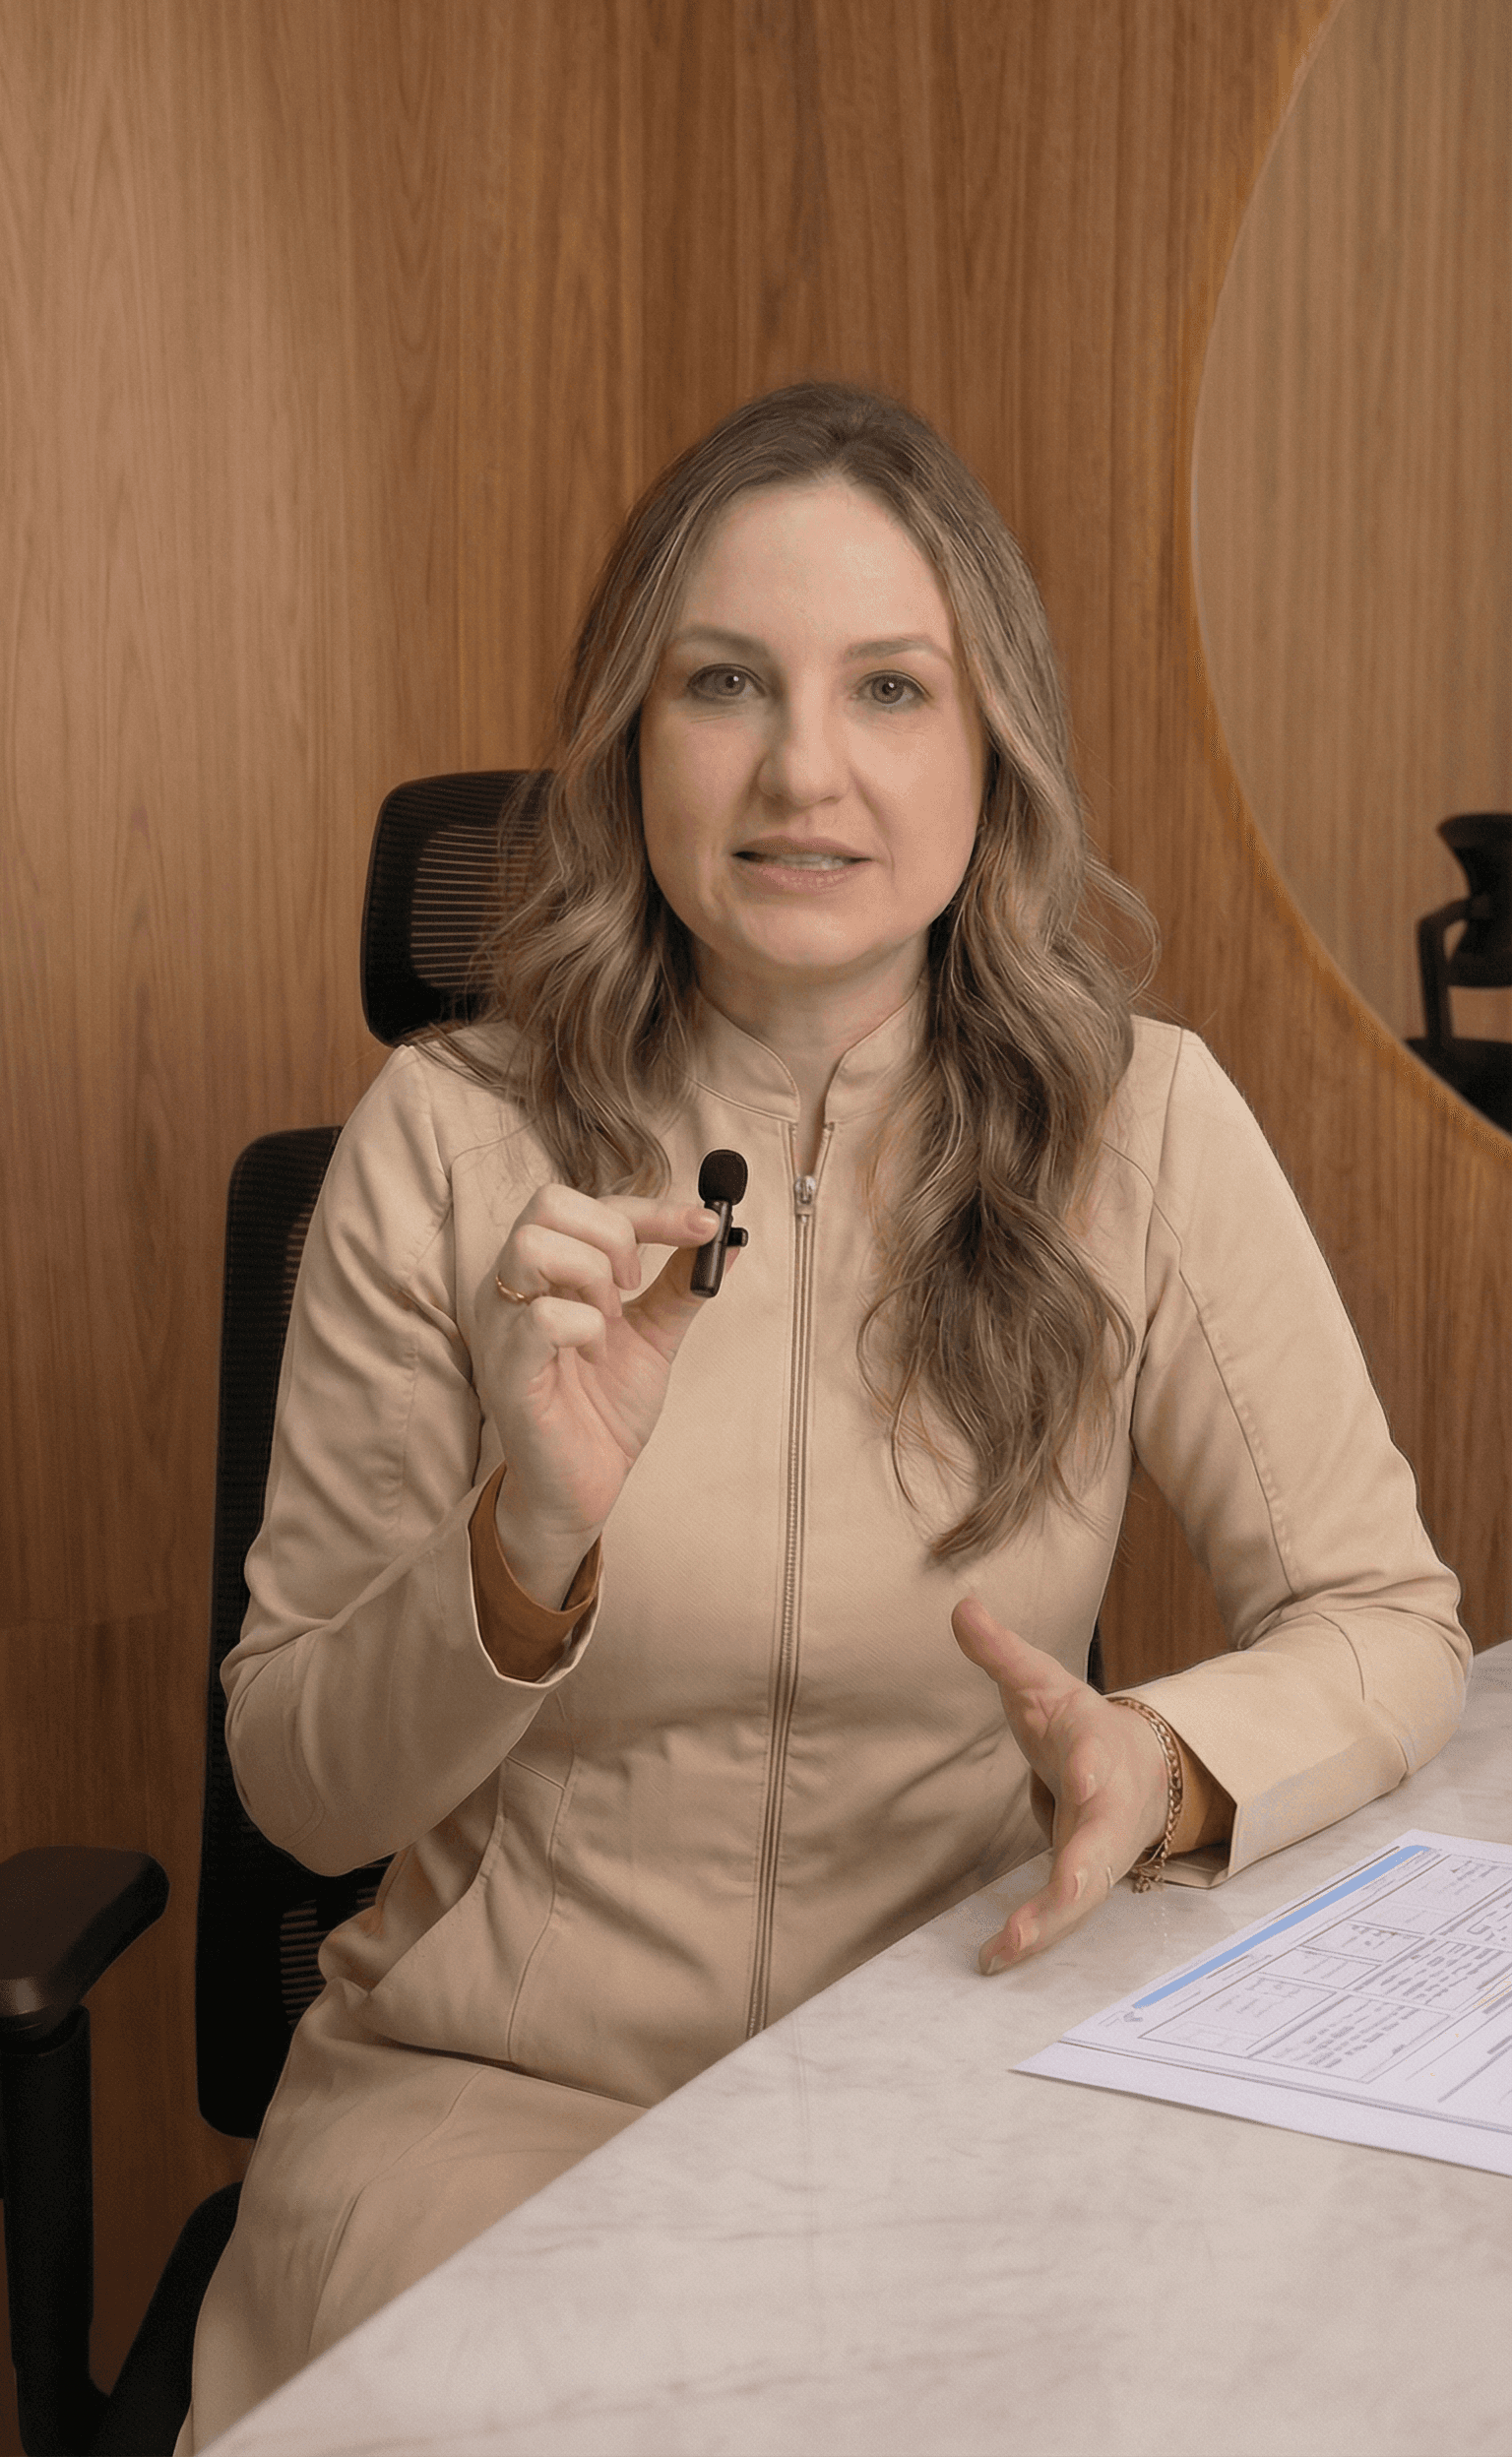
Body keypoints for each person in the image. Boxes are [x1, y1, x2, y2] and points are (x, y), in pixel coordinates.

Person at [182, 381, 1468, 2441]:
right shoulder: (440, 1141)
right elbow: (303, 1788)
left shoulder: (1142, 1125)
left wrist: (1166, 1755)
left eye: (890, 686)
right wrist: (522, 1553)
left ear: (991, 750)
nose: (805, 768)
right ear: (632, 736)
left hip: (952, 2081)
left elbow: (1385, 1614)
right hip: (489, 2118)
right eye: (725, 683)